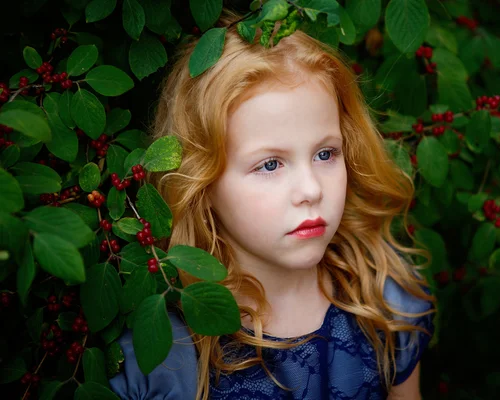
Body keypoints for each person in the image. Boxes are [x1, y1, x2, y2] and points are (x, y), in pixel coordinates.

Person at [109, 7, 436, 400]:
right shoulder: (169, 353)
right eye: (270, 164)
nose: (310, 189)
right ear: (203, 181)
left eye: (325, 154)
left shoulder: (382, 304)